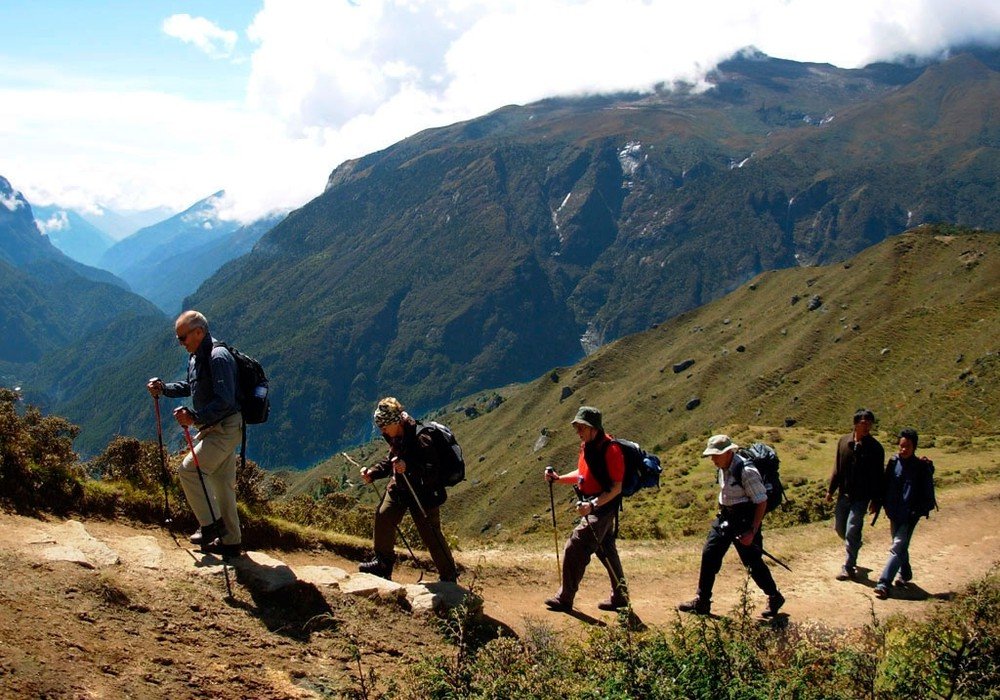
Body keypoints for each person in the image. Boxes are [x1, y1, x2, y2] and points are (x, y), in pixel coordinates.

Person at [147, 310, 244, 558]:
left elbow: (225, 401)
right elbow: (192, 386)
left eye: (183, 337)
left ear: (199, 332)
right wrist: (165, 389)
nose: (181, 343)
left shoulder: (218, 357)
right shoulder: (196, 357)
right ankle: (231, 542)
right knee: (222, 486)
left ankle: (211, 526)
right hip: (217, 428)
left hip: (224, 429)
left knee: (189, 470)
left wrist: (194, 418)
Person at [677, 435, 784, 617]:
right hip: (725, 518)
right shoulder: (722, 467)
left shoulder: (747, 471)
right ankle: (702, 601)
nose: (712, 459)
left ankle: (774, 596)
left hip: (745, 522)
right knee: (709, 554)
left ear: (728, 453)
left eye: (715, 455)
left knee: (752, 562)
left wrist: (752, 531)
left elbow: (761, 501)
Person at [357, 397, 458, 582]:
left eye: (383, 426)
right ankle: (383, 564)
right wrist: (372, 472)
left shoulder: (422, 437)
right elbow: (391, 460)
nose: (382, 430)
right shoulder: (395, 434)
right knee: (384, 515)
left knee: (430, 534)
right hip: (402, 486)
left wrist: (408, 466)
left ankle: (449, 575)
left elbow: (431, 470)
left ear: (394, 422)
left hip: (424, 493)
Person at [543, 406, 629, 612]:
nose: (578, 432)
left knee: (576, 545)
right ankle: (621, 596)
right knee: (605, 550)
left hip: (602, 508)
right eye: (577, 427)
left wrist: (593, 504)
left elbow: (617, 487)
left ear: (594, 428)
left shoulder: (612, 450)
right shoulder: (587, 446)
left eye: (582, 427)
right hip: (592, 505)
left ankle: (565, 597)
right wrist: (559, 479)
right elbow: (583, 474)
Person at [874, 428, 936, 599]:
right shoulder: (894, 462)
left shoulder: (921, 467)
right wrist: (879, 503)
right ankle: (906, 573)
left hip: (910, 515)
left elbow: (926, 491)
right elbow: (885, 484)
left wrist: (917, 510)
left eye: (907, 446)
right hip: (894, 512)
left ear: (914, 447)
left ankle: (883, 583)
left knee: (897, 546)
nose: (903, 449)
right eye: (901, 446)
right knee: (900, 545)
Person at [826, 408, 885, 580]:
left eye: (870, 424)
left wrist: (876, 500)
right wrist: (830, 490)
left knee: (853, 528)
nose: (867, 427)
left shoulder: (876, 448)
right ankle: (854, 545)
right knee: (840, 528)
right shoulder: (843, 442)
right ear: (856, 424)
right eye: (864, 423)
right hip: (843, 495)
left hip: (861, 498)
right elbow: (837, 468)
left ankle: (849, 566)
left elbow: (878, 477)